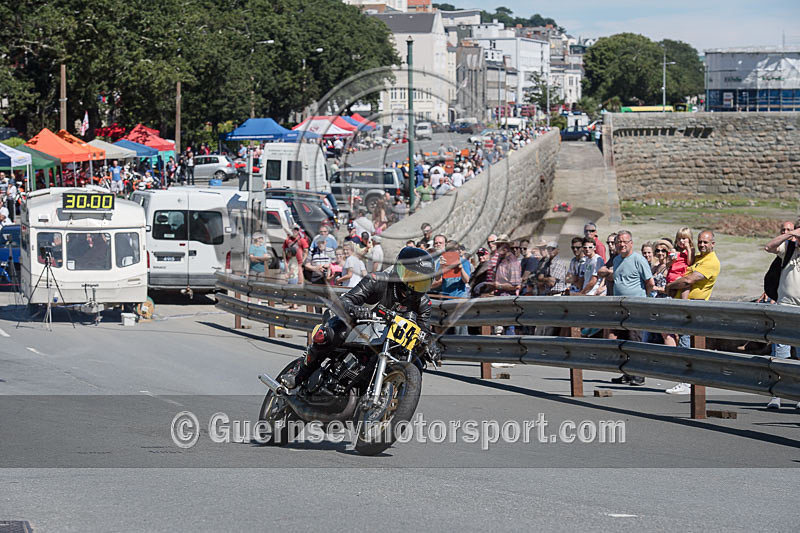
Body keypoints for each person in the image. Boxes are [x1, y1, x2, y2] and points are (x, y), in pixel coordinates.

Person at [281, 246, 436, 389]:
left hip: (387, 339)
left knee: (417, 360)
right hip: (358, 323)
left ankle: (393, 394)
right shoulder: (377, 280)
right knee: (332, 333)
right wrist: (357, 310)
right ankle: (300, 373)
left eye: (422, 282)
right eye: (412, 278)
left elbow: (423, 329)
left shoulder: (423, 302)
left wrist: (430, 344)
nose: (416, 285)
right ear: (399, 270)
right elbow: (345, 301)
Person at [663, 230, 721, 394]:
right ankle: (688, 379)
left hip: (695, 307)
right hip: (685, 306)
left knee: (686, 342)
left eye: (705, 242)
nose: (702, 245)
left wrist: (670, 286)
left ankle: (687, 382)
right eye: (700, 242)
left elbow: (688, 279)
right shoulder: (698, 258)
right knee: (684, 340)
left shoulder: (711, 262)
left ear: (712, 244)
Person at [598, 230, 654, 386]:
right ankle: (627, 373)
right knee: (622, 341)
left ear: (631, 243)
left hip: (636, 307)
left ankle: (639, 374)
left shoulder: (638, 259)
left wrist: (642, 299)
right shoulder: (617, 260)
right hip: (620, 307)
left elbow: (650, 283)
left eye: (624, 242)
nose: (621, 244)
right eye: (619, 242)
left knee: (635, 339)